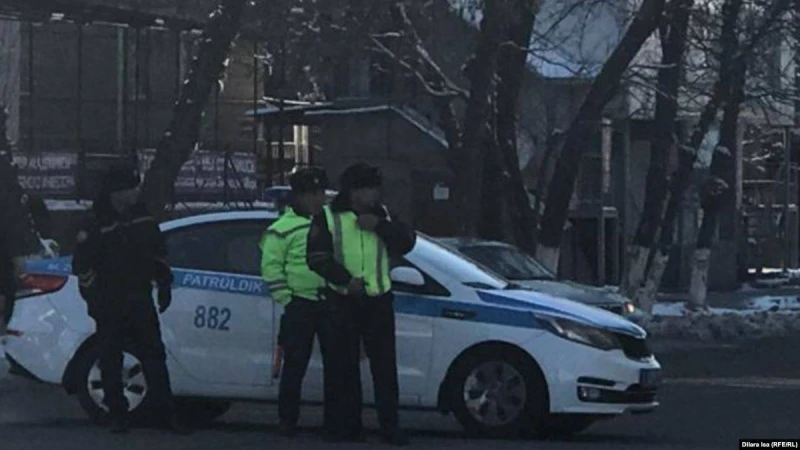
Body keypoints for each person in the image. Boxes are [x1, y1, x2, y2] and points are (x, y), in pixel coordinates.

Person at [71, 162, 188, 435]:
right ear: (116, 192)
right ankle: (117, 414)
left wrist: (164, 283)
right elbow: (83, 267)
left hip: (140, 297)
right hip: (110, 301)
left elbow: (157, 252)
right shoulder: (95, 222)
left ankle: (165, 413)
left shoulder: (142, 217)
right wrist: (95, 301)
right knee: (111, 358)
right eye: (131, 188)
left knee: (154, 355)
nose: (136, 192)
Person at [306, 162, 416, 446]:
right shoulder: (328, 217)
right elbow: (316, 258)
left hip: (379, 300)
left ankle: (390, 427)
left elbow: (407, 242)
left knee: (385, 368)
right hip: (342, 301)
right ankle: (345, 427)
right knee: (342, 368)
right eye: (370, 189)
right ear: (354, 192)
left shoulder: (383, 215)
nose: (375, 194)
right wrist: (345, 281)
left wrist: (380, 226)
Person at [259, 167, 344, 440]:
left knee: (336, 366)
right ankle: (287, 421)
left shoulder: (333, 221)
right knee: (295, 366)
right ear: (297, 196)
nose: (317, 199)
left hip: (331, 302)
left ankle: (334, 423)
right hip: (301, 305)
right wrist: (288, 299)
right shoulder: (281, 229)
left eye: (320, 193)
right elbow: (271, 269)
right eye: (311, 194)